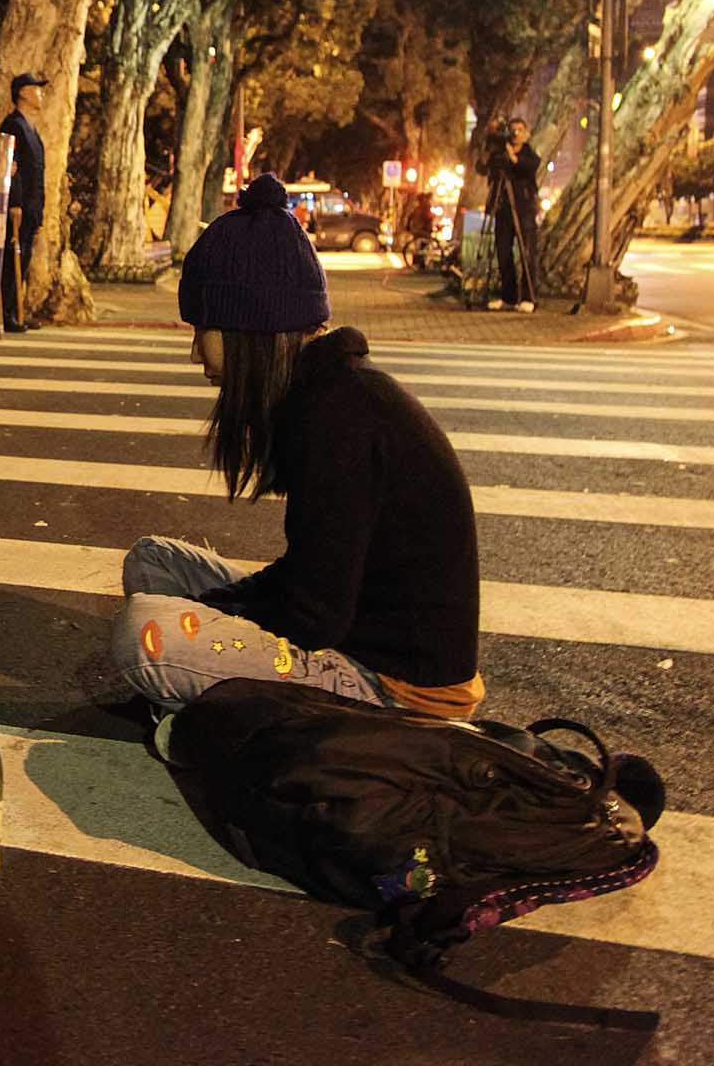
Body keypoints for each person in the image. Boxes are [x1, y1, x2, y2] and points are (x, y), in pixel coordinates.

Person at [106, 172, 484, 761]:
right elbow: (311, 576)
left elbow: (314, 616)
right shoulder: (325, 394)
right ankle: (211, 706)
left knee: (142, 637)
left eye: (202, 330)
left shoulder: (339, 417)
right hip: (350, 634)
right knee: (153, 563)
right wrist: (223, 607)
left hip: (393, 687)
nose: (194, 352)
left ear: (246, 328)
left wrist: (222, 614)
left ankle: (226, 723)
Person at [1, 72, 49, 333]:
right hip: (19, 205)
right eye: (36, 89)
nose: (40, 93)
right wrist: (14, 202)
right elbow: (13, 168)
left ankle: (18, 309)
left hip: (33, 205)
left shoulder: (30, 127)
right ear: (23, 93)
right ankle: (8, 312)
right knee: (13, 260)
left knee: (24, 259)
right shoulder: (13, 125)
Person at [485, 118, 540, 312]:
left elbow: (525, 167)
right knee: (503, 252)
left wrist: (511, 155)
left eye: (520, 130)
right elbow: (484, 169)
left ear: (526, 134)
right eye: (512, 130)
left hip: (524, 210)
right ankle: (508, 296)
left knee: (527, 254)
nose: (516, 134)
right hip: (504, 210)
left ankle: (528, 297)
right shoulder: (500, 154)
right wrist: (490, 146)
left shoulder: (530, 155)